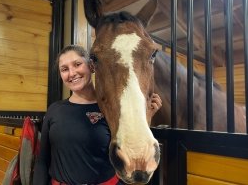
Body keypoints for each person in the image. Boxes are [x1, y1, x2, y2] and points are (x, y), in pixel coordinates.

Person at [33, 45, 162, 185]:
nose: (72, 73)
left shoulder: (112, 110)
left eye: (77, 64)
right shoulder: (54, 110)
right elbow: (42, 161)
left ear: (92, 66)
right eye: (64, 69)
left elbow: (130, 153)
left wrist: (146, 117)